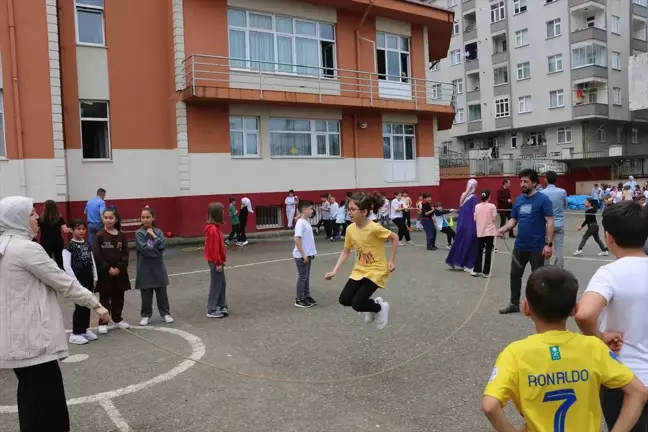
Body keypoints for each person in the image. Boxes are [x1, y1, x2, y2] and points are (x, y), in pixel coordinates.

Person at [482, 266, 648, 432]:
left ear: (526, 308)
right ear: (574, 310)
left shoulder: (515, 353)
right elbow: (638, 392)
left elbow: (490, 406)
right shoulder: (592, 347)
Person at [0, 196, 109, 432]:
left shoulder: (4, 246)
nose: (37, 217)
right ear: (17, 218)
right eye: (31, 213)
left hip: (18, 338)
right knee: (45, 402)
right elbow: (64, 282)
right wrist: (95, 304)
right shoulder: (26, 249)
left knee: (32, 397)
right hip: (33, 339)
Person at [576, 201, 648, 431]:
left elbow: (585, 314)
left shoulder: (609, 274)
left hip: (625, 377)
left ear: (608, 237)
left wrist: (598, 336)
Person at [325, 193, 398, 330]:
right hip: (360, 269)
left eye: (353, 209)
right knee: (345, 300)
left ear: (364, 212)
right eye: (348, 209)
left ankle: (380, 307)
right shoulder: (350, 229)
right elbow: (346, 252)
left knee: (357, 304)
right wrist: (334, 271)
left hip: (376, 270)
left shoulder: (374, 228)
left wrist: (392, 261)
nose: (349, 212)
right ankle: (372, 305)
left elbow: (395, 238)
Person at [498, 169, 554, 314]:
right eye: (521, 181)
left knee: (537, 278)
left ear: (534, 183)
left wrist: (548, 244)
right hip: (520, 246)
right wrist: (503, 228)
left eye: (526, 181)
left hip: (537, 247)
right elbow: (514, 219)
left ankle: (537, 307)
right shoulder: (518, 200)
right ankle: (514, 304)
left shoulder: (543, 200)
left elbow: (550, 222)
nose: (522, 184)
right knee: (515, 275)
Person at [93, 207, 131, 334]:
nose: (108, 220)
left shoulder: (121, 235)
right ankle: (103, 322)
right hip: (105, 273)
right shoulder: (99, 236)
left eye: (111, 218)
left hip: (119, 273)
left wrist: (119, 268)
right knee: (104, 298)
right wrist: (108, 267)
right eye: (106, 218)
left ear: (116, 219)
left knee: (119, 296)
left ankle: (117, 319)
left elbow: (125, 253)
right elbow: (97, 254)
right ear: (102, 219)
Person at [135, 207, 173, 326]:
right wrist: (156, 251)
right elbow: (144, 249)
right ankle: (146, 315)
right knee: (146, 292)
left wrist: (154, 236)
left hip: (158, 266)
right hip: (144, 266)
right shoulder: (139, 233)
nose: (145, 220)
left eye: (148, 217)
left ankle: (165, 313)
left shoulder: (159, 231)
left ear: (153, 218)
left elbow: (162, 245)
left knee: (161, 290)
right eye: (143, 217)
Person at [63, 219, 99, 345]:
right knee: (79, 306)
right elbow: (67, 266)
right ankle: (75, 333)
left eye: (83, 229)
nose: (82, 231)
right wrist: (75, 282)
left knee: (87, 304)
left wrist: (95, 277)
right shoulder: (68, 247)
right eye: (78, 229)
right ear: (72, 230)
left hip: (89, 278)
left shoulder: (87, 244)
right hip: (78, 281)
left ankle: (85, 329)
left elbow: (92, 260)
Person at [446, 179, 479, 271]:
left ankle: (452, 260)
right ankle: (467, 264)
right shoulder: (474, 198)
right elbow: (475, 212)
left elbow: (462, 209)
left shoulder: (463, 196)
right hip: (470, 224)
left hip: (461, 223)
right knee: (471, 242)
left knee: (459, 241)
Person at [205, 202, 228, 318]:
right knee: (216, 284)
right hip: (215, 261)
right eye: (222, 211)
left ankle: (221, 304)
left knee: (222, 283)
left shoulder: (215, 228)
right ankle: (212, 308)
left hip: (217, 260)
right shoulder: (213, 230)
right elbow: (214, 249)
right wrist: (218, 262)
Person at [541, 170, 568, 268]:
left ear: (546, 179)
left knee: (546, 246)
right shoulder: (562, 192)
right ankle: (559, 269)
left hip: (547, 224)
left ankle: (545, 268)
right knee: (559, 248)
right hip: (559, 223)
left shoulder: (542, 193)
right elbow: (565, 206)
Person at [293, 200, 318, 308]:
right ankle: (299, 299)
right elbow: (297, 239)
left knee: (306, 277)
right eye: (311, 208)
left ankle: (306, 296)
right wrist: (303, 254)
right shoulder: (300, 223)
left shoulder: (304, 221)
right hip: (302, 255)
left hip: (308, 254)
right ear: (305, 210)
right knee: (302, 277)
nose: (313, 210)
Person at [472, 189, 496, 278]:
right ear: (489, 196)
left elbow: (475, 218)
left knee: (479, 251)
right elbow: (494, 218)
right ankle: (486, 272)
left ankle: (476, 270)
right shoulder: (492, 206)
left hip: (480, 231)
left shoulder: (477, 206)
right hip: (489, 231)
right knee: (488, 251)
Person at [38, 200, 69, 269]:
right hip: (57, 241)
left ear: (45, 207)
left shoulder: (41, 219)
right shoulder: (59, 218)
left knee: (46, 261)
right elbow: (65, 230)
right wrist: (72, 229)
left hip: (45, 242)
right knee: (60, 261)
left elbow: (37, 230)